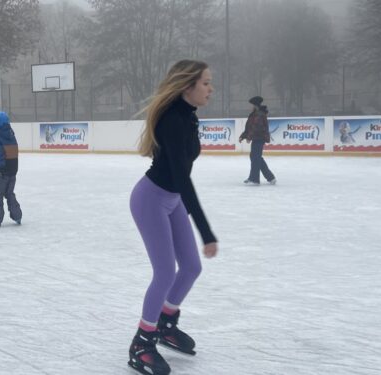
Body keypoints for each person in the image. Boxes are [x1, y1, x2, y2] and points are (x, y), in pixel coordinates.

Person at [128, 60, 219, 375]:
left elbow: (180, 179)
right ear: (187, 86)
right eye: (205, 83)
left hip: (173, 199)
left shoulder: (187, 116)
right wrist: (206, 232)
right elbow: (182, 178)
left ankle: (166, 323)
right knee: (165, 273)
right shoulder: (172, 120)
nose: (210, 88)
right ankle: (143, 341)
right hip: (151, 200)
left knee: (191, 267)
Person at [0, 111, 22, 226]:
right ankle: (17, 216)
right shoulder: (11, 135)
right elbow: (15, 152)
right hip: (13, 171)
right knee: (9, 193)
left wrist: (0, 169)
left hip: (2, 173)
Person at [239, 96, 276, 185]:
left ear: (255, 105)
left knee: (255, 157)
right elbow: (249, 126)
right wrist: (243, 136)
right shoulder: (254, 114)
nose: (250, 107)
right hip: (257, 137)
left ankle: (254, 179)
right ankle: (270, 177)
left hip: (259, 138)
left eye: (252, 105)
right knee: (256, 157)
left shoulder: (259, 114)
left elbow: (256, 127)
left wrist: (249, 137)